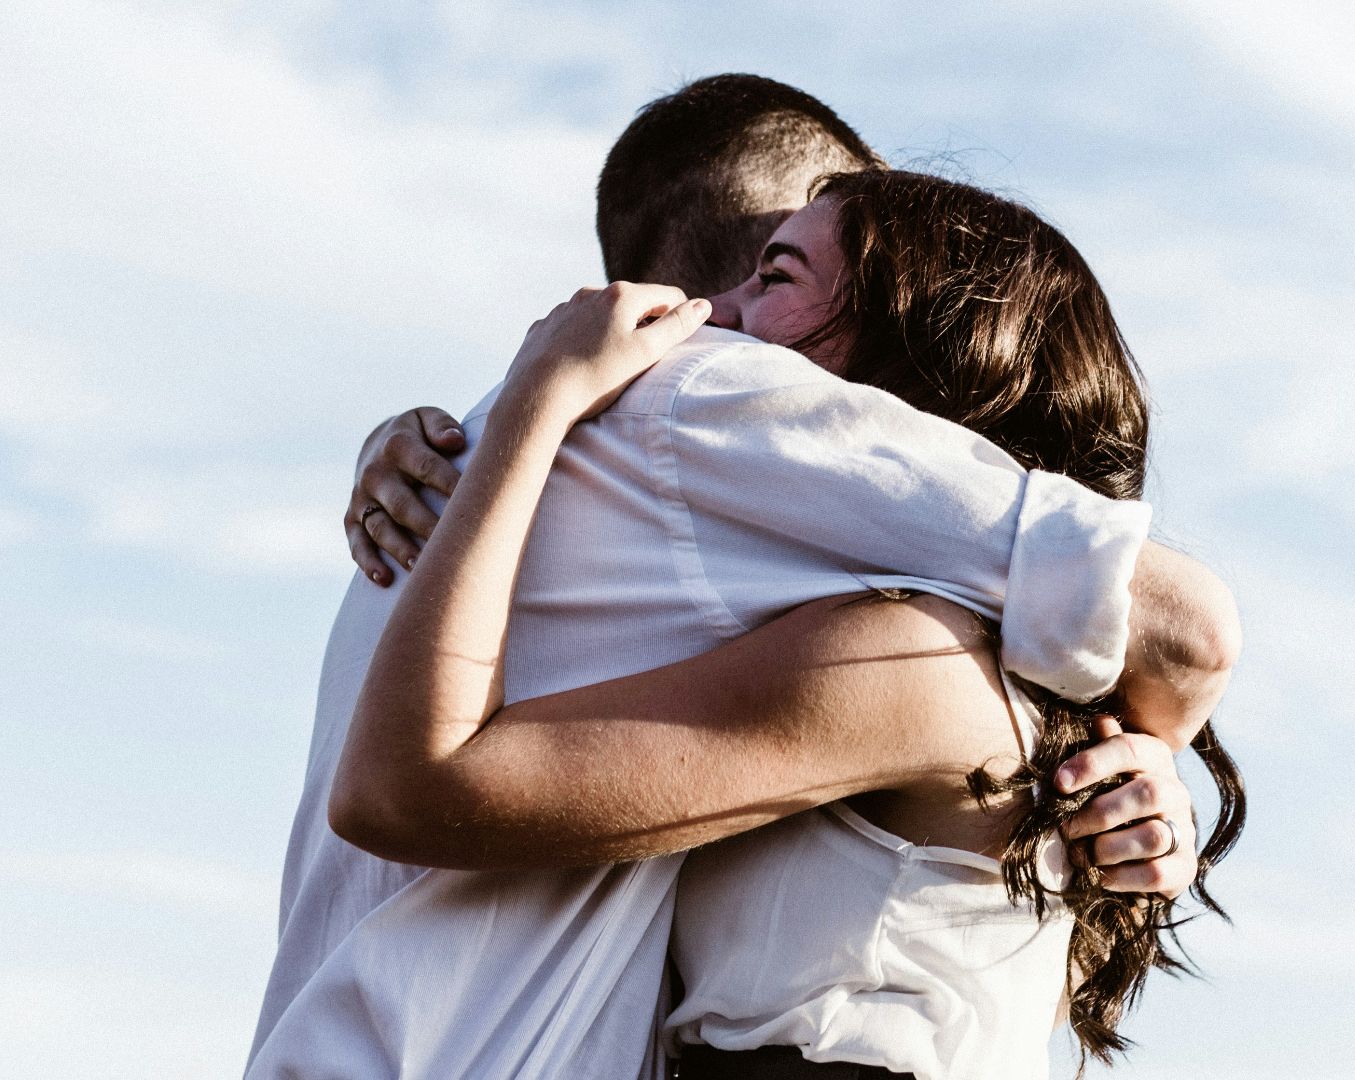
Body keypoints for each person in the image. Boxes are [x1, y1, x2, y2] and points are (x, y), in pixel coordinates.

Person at [249, 75, 1232, 1080]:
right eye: (775, 260)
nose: (714, 314)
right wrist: (1152, 747)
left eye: (778, 279)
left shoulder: (529, 451)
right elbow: (1183, 627)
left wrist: (1134, 760)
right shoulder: (710, 406)